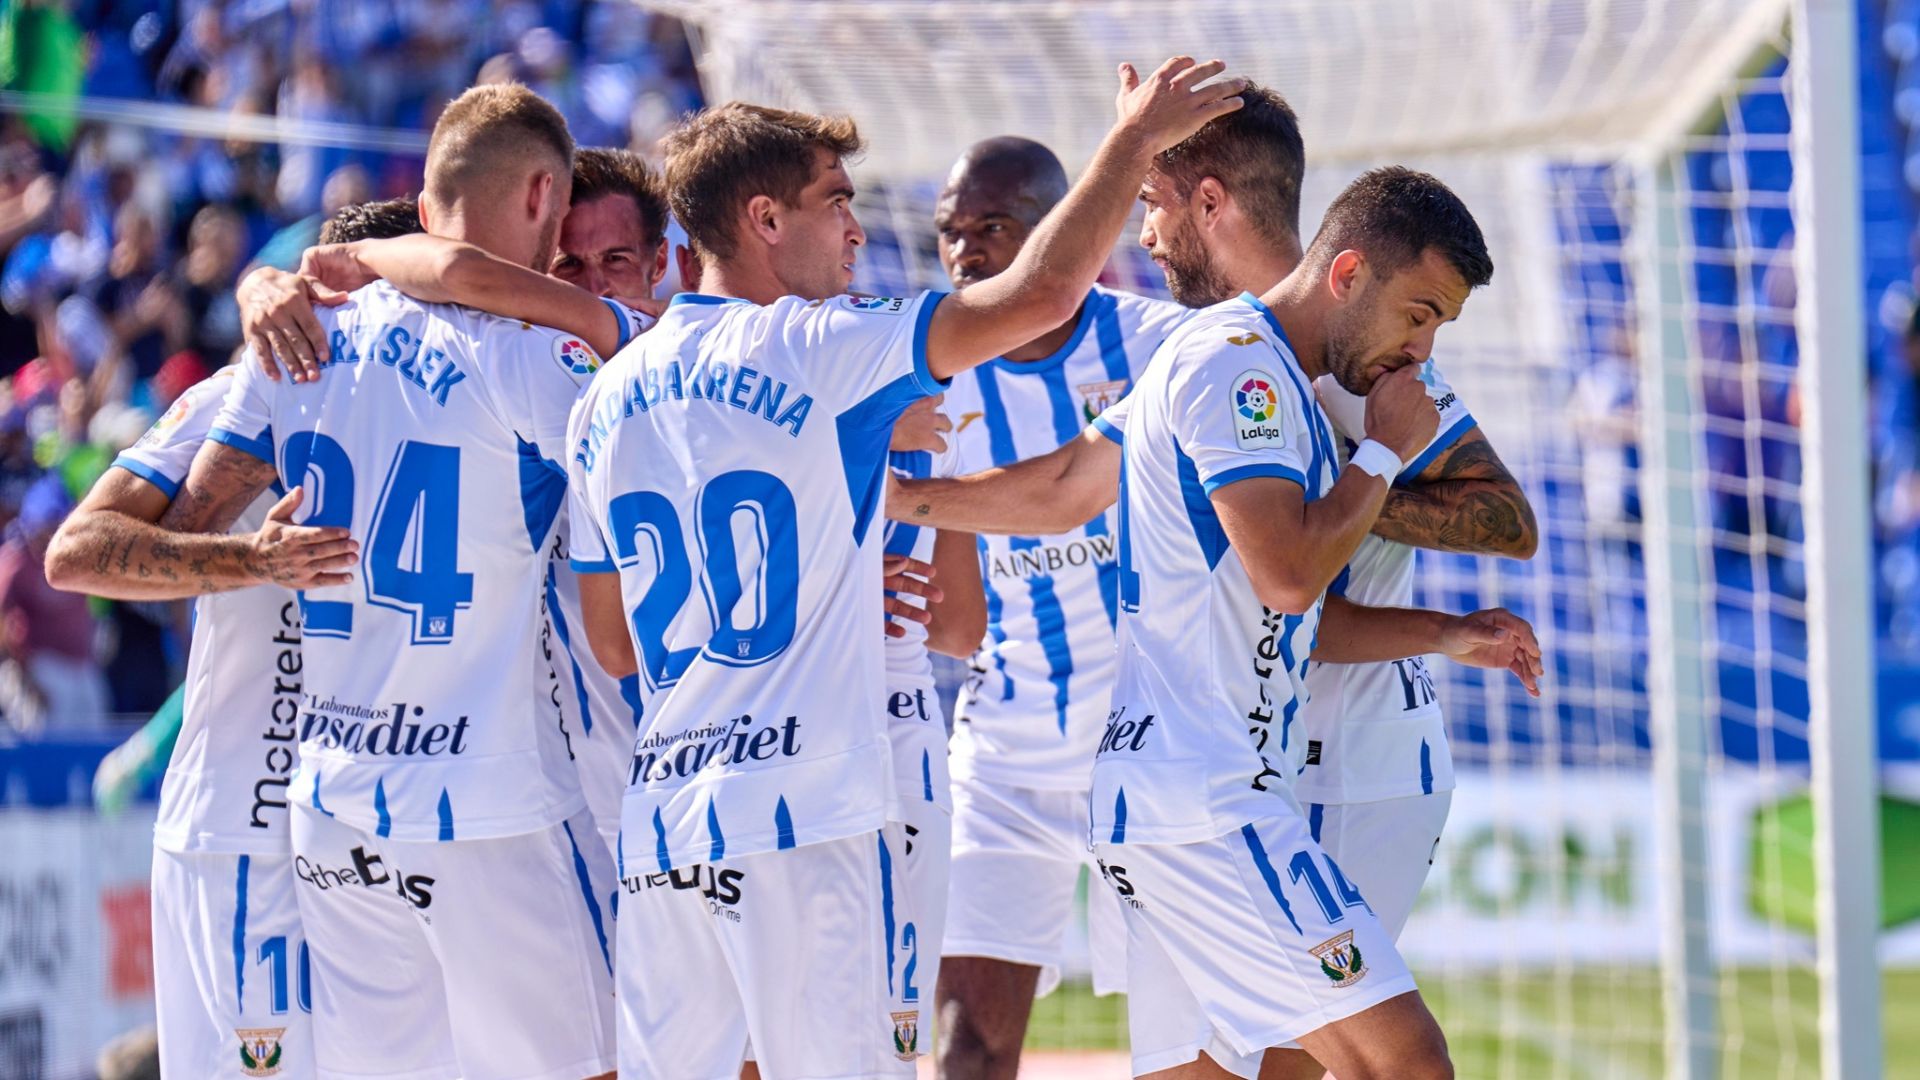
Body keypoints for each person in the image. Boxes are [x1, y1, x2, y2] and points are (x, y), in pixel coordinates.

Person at [563, 59, 1244, 1079]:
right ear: (763, 219)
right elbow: (1041, 295)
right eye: (835, 201)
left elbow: (615, 643)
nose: (855, 230)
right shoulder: (821, 345)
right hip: (807, 814)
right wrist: (1133, 143)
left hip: (665, 824)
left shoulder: (602, 400)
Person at [894, 90, 1537, 1060]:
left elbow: (1307, 595)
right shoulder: (1230, 357)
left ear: (1210, 202)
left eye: (1151, 204)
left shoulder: (1251, 351)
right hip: (1196, 789)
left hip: (1218, 783)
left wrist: (1442, 629)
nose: (1142, 235)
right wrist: (1374, 460)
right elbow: (1278, 571)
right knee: (1398, 1060)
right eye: (1422, 317)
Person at [145, 84, 620, 1080]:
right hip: (486, 804)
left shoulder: (295, 340)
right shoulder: (536, 354)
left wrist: (250, 561)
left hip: (336, 807)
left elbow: (181, 531)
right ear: (542, 193)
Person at [41, 195, 422, 1079]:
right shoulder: (243, 390)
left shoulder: (456, 397)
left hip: (366, 830)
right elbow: (76, 551)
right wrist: (254, 559)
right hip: (248, 829)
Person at [925, 136, 1191, 1079]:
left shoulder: (1163, 346)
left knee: (1192, 1052)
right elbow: (957, 621)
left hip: (1158, 747)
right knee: (965, 1048)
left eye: (992, 226)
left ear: (1062, 229)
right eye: (950, 231)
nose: (964, 251)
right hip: (1009, 752)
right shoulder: (929, 377)